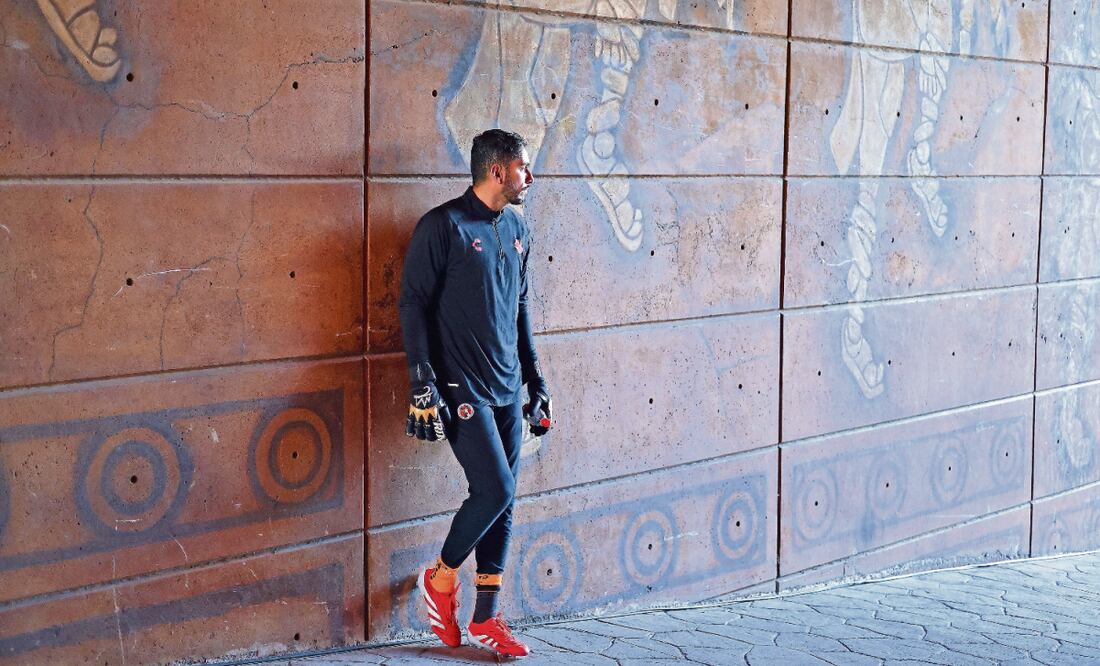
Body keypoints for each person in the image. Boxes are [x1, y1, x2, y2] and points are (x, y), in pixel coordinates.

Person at [398, 128, 553, 657]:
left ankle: (485, 619)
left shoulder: (518, 229)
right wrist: (422, 381)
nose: (529, 177)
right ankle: (440, 580)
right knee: (496, 490)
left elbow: (521, 309)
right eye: (523, 169)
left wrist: (538, 383)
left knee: (504, 502)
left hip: (509, 385)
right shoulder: (443, 227)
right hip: (462, 385)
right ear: (497, 171)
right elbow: (412, 305)